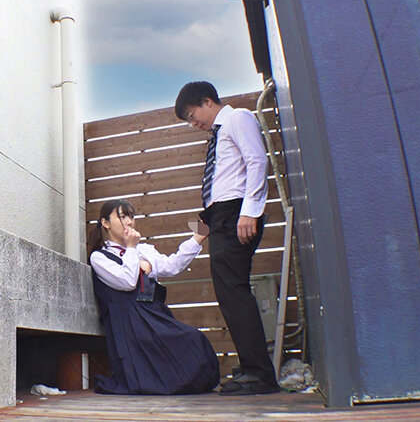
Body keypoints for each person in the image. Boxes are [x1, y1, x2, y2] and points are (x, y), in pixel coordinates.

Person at [174, 81, 279, 395]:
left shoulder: (237, 118)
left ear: (207, 101)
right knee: (229, 294)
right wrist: (203, 226)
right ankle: (251, 367)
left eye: (192, 115)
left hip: (236, 213)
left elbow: (257, 161)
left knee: (233, 292)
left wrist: (250, 211)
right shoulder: (218, 134)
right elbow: (220, 185)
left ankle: (260, 374)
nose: (193, 123)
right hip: (222, 215)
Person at [87, 198, 220, 395]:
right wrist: (132, 250)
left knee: (194, 340)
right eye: (122, 217)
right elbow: (127, 281)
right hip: (127, 323)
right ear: (105, 223)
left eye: (131, 216)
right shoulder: (99, 257)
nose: (129, 222)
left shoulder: (144, 249)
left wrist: (197, 238)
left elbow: (172, 266)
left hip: (152, 313)